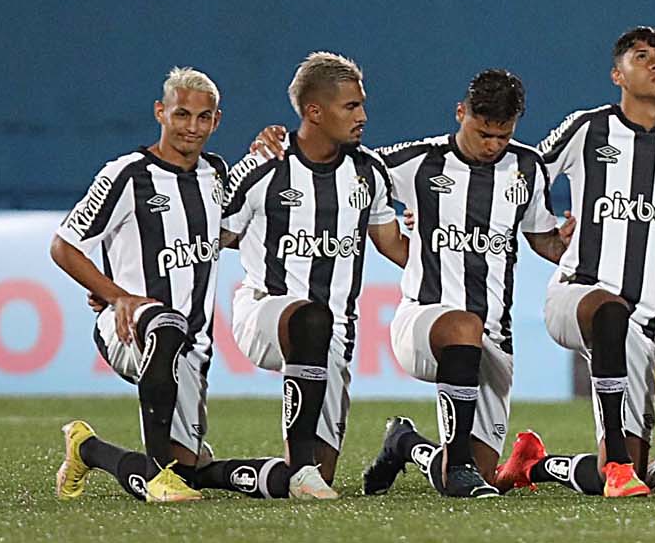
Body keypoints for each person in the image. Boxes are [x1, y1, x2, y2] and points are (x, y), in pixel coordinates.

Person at [51, 67, 317, 503]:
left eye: (203, 117)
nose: (192, 127)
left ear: (217, 120)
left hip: (191, 347)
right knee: (165, 321)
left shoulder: (215, 174)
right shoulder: (126, 174)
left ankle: (89, 449)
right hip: (132, 329)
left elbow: (224, 236)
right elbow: (63, 245)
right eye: (181, 114)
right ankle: (158, 476)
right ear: (160, 113)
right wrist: (118, 297)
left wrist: (265, 151)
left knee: (189, 467)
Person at [500, 27, 655, 499]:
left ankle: (535, 466)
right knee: (608, 309)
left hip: (642, 325)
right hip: (577, 295)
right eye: (642, 57)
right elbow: (525, 171)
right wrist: (541, 231)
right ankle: (621, 461)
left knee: (624, 478)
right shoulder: (589, 128)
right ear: (617, 74)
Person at [353, 68, 570, 499]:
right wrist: (281, 150)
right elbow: (351, 167)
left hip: (492, 340)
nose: (492, 146)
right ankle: (458, 469)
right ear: (460, 113)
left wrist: (571, 245)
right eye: (482, 133)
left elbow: (542, 238)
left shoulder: (526, 168)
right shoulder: (419, 162)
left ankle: (404, 444)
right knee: (462, 325)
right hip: (423, 321)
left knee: (483, 475)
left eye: (502, 136)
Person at [219, 52, 407, 496]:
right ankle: (299, 467)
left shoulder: (368, 172)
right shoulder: (263, 167)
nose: (362, 116)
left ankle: (222, 473)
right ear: (314, 112)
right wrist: (126, 290)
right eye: (351, 107)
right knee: (308, 317)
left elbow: (395, 246)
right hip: (264, 313)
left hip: (335, 336)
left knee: (320, 480)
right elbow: (210, 238)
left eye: (361, 105)